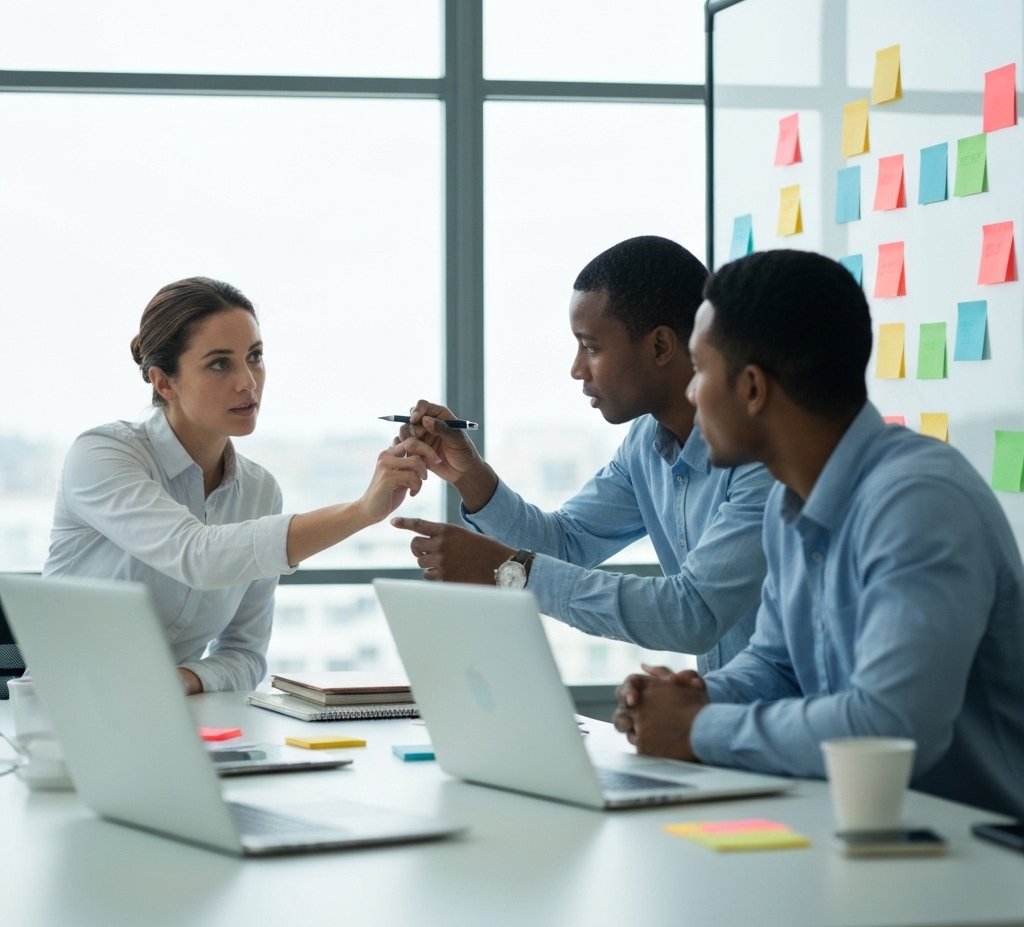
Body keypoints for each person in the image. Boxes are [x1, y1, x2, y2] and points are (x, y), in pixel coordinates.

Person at [613, 249, 1024, 819]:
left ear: (753, 388)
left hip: (979, 864)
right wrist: (692, 696)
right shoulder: (790, 500)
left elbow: (890, 727)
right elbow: (776, 666)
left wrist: (699, 726)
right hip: (865, 834)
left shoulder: (919, 504)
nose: (689, 393)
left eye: (700, 371)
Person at [392, 236, 775, 674]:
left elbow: (692, 614)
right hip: (726, 721)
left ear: (661, 347)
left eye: (591, 347)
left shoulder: (759, 456)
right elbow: (566, 544)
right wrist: (469, 475)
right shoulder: (644, 444)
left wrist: (509, 569)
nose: (577, 369)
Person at [44, 277, 438, 694]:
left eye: (255, 357)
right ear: (164, 382)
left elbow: (246, 655)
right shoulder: (102, 456)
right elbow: (197, 556)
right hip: (65, 709)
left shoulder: (259, 491)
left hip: (176, 717)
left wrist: (181, 681)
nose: (248, 381)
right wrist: (362, 512)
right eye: (220, 363)